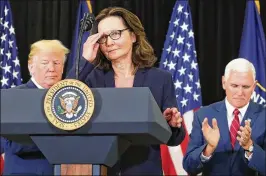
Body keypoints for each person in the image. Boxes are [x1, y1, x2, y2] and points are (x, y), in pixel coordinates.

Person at [69, 7, 186, 175]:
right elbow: (64, 101)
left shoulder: (160, 79)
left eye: (115, 34)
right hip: (101, 170)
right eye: (102, 38)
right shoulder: (91, 78)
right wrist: (85, 59)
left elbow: (174, 139)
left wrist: (171, 125)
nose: (109, 43)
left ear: (133, 36)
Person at [183, 58, 266, 175]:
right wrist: (209, 148)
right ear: (224, 82)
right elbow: (189, 166)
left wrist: (250, 147)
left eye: (246, 87)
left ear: (254, 86)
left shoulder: (263, 116)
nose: (240, 92)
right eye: (234, 85)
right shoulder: (203, 115)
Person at [1, 39, 69, 175]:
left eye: (57, 63)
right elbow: (16, 145)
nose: (51, 68)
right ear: (31, 66)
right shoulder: (13, 97)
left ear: (62, 67)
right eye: (45, 63)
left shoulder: (68, 98)